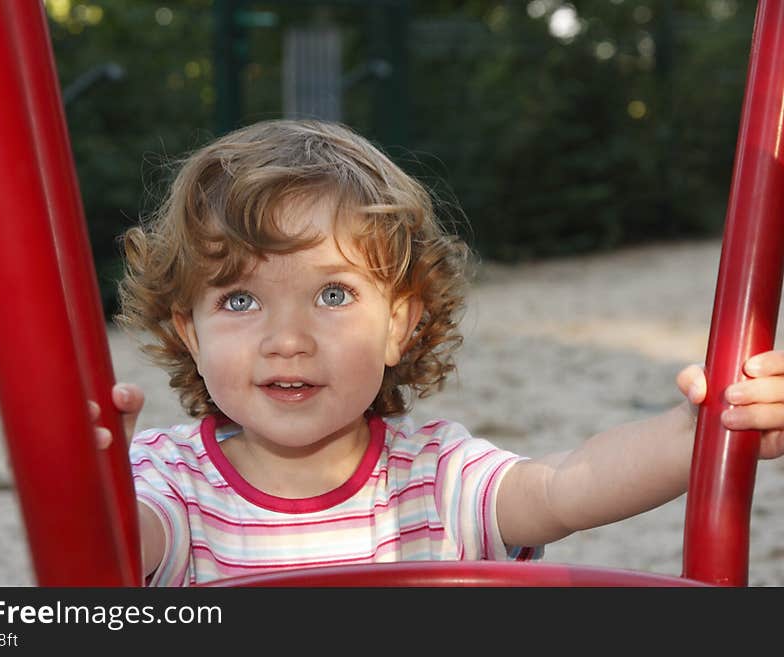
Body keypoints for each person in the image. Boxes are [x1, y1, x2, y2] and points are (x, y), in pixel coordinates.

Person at [94, 119, 784, 586]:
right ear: (189, 330)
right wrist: (90, 493)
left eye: (332, 294)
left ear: (400, 322)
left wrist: (695, 432)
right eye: (240, 300)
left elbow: (566, 485)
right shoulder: (168, 481)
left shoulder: (435, 477)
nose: (288, 339)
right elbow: (120, 552)